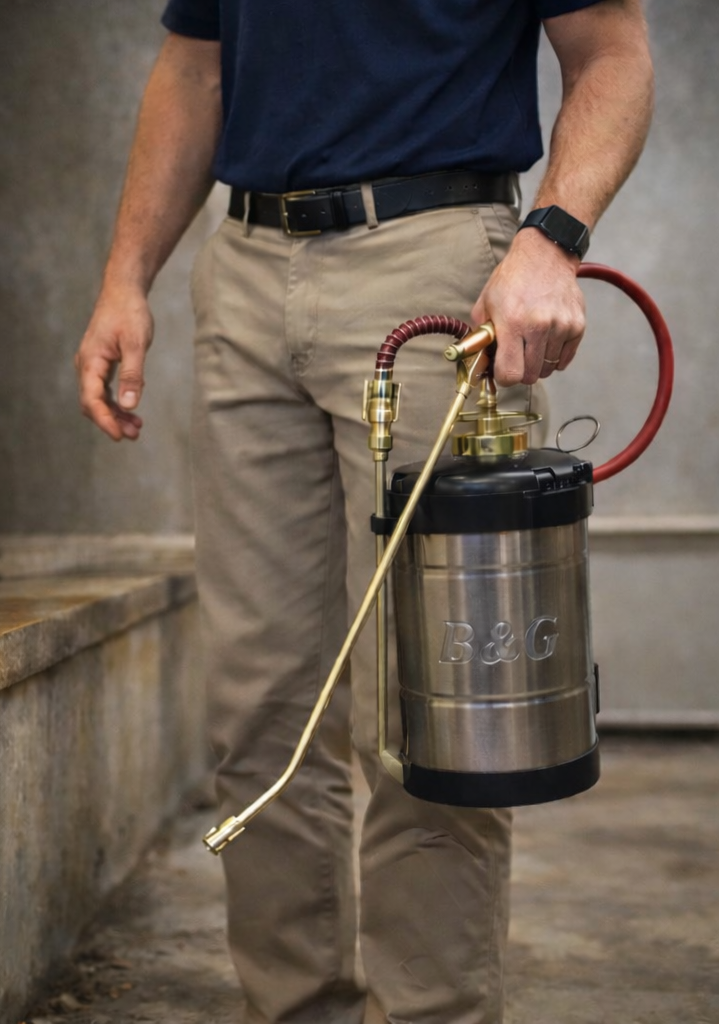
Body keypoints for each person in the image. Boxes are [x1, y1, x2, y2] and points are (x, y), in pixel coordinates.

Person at [73, 3, 652, 1021]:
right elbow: (195, 67)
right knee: (259, 707)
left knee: (427, 712)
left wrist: (550, 239)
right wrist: (126, 277)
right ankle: (293, 1007)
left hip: (433, 272)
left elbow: (612, 53)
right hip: (247, 267)